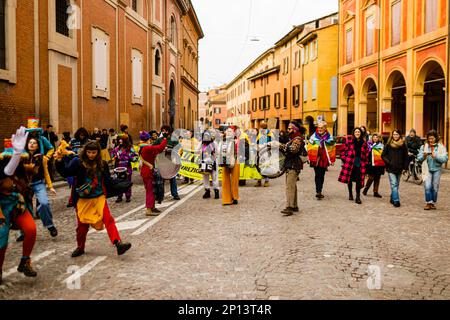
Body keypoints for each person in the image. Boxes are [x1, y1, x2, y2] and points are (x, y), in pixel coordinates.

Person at [55, 141, 132, 257]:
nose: (91, 155)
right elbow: (66, 173)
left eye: (94, 152)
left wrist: (122, 183)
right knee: (82, 227)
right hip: (83, 199)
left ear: (98, 153)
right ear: (85, 152)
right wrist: (59, 160)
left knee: (108, 219)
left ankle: (118, 243)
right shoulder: (78, 162)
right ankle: (80, 247)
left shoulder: (102, 164)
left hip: (99, 198)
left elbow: (108, 180)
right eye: (89, 152)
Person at [0, 127, 38, 284]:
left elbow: (17, 173)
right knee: (1, 241)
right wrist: (15, 154)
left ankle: (25, 261)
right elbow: (6, 172)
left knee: (31, 229)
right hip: (1, 209)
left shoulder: (22, 168)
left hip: (17, 204)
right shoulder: (3, 167)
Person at [19, 136, 58, 239]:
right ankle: (24, 231)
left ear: (37, 146)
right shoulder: (22, 157)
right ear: (27, 145)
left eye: (34, 143)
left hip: (39, 183)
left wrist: (50, 186)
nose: (32, 144)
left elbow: (46, 173)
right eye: (30, 143)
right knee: (24, 207)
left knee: (44, 203)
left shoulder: (42, 158)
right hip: (25, 185)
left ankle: (50, 226)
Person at [277, 121, 306, 215]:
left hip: (293, 164)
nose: (288, 130)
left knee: (290, 186)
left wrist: (279, 146)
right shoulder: (293, 138)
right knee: (292, 186)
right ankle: (294, 206)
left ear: (294, 129)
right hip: (292, 164)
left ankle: (289, 207)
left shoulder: (297, 139)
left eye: (289, 128)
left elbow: (293, 150)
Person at [417, 130, 448, 210]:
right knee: (427, 186)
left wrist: (436, 156)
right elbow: (419, 158)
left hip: (437, 169)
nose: (430, 140)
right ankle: (428, 202)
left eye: (432, 138)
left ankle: (433, 202)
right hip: (427, 169)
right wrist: (424, 156)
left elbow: (445, 158)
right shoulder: (424, 147)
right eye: (429, 138)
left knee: (435, 187)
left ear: (436, 138)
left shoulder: (441, 147)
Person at [139, 131, 167, 216]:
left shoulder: (142, 147)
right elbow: (160, 147)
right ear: (148, 139)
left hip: (145, 170)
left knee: (152, 189)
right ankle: (148, 209)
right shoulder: (147, 148)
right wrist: (165, 139)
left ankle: (152, 207)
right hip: (148, 171)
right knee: (150, 190)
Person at [338, 128, 369, 204]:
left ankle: (358, 197)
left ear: (361, 133)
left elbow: (367, 153)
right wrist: (345, 159)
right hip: (350, 163)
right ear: (353, 133)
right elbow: (343, 151)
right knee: (350, 179)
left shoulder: (364, 143)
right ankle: (350, 194)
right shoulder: (349, 142)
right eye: (356, 132)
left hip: (360, 163)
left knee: (359, 180)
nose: (357, 133)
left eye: (358, 132)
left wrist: (366, 162)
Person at [307, 121, 336, 200]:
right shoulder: (313, 136)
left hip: (324, 159)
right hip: (315, 159)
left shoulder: (329, 137)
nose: (319, 129)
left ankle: (319, 190)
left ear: (325, 128)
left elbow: (332, 147)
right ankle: (318, 191)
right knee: (317, 174)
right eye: (318, 127)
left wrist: (332, 159)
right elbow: (309, 146)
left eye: (321, 128)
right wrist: (316, 145)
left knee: (322, 175)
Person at [381, 129, 410, 208]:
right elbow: (383, 155)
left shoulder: (403, 144)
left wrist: (405, 167)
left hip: (400, 168)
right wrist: (389, 162)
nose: (395, 136)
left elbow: (406, 157)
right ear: (392, 135)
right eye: (394, 134)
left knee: (396, 185)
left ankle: (392, 197)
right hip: (391, 168)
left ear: (399, 135)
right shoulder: (388, 144)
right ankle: (396, 201)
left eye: (397, 134)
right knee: (394, 184)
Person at [153, 126, 181, 201]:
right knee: (161, 180)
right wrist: (160, 149)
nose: (163, 132)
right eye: (162, 131)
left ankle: (175, 194)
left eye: (165, 131)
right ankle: (160, 195)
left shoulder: (173, 140)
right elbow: (152, 147)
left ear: (169, 131)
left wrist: (171, 149)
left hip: (171, 162)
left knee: (172, 178)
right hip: (161, 162)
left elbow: (178, 147)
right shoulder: (159, 140)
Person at [111, 134, 138, 203]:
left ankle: (128, 196)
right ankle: (119, 196)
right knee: (118, 182)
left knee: (127, 182)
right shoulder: (117, 148)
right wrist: (114, 157)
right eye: (119, 139)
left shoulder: (130, 148)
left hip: (127, 168)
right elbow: (112, 155)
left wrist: (130, 158)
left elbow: (135, 157)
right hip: (118, 167)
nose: (120, 140)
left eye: (121, 139)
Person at [219, 126, 240, 206]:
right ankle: (226, 199)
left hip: (235, 160)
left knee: (234, 180)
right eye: (227, 131)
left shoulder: (237, 141)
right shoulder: (222, 141)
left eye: (230, 131)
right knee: (225, 180)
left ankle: (235, 197)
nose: (228, 132)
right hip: (225, 161)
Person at [197, 130, 220, 200]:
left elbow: (218, 152)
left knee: (214, 177)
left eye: (207, 136)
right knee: (205, 177)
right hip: (204, 162)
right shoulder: (201, 143)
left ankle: (216, 191)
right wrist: (200, 152)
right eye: (205, 136)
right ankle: (207, 191)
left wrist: (213, 153)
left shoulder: (214, 143)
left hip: (213, 162)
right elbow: (197, 150)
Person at [363, 134, 385, 198]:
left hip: (379, 164)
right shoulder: (369, 145)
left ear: (379, 138)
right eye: (374, 137)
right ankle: (366, 189)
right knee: (371, 177)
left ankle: (375, 192)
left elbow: (383, 155)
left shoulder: (381, 145)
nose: (375, 138)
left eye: (376, 137)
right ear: (372, 138)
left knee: (377, 178)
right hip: (370, 164)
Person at [255, 121, 273, 188]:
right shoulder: (260, 133)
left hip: (266, 151)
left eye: (263, 126)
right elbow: (257, 141)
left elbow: (271, 142)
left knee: (266, 166)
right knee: (258, 166)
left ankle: (266, 181)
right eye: (261, 126)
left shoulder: (269, 133)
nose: (262, 128)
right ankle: (259, 180)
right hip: (260, 151)